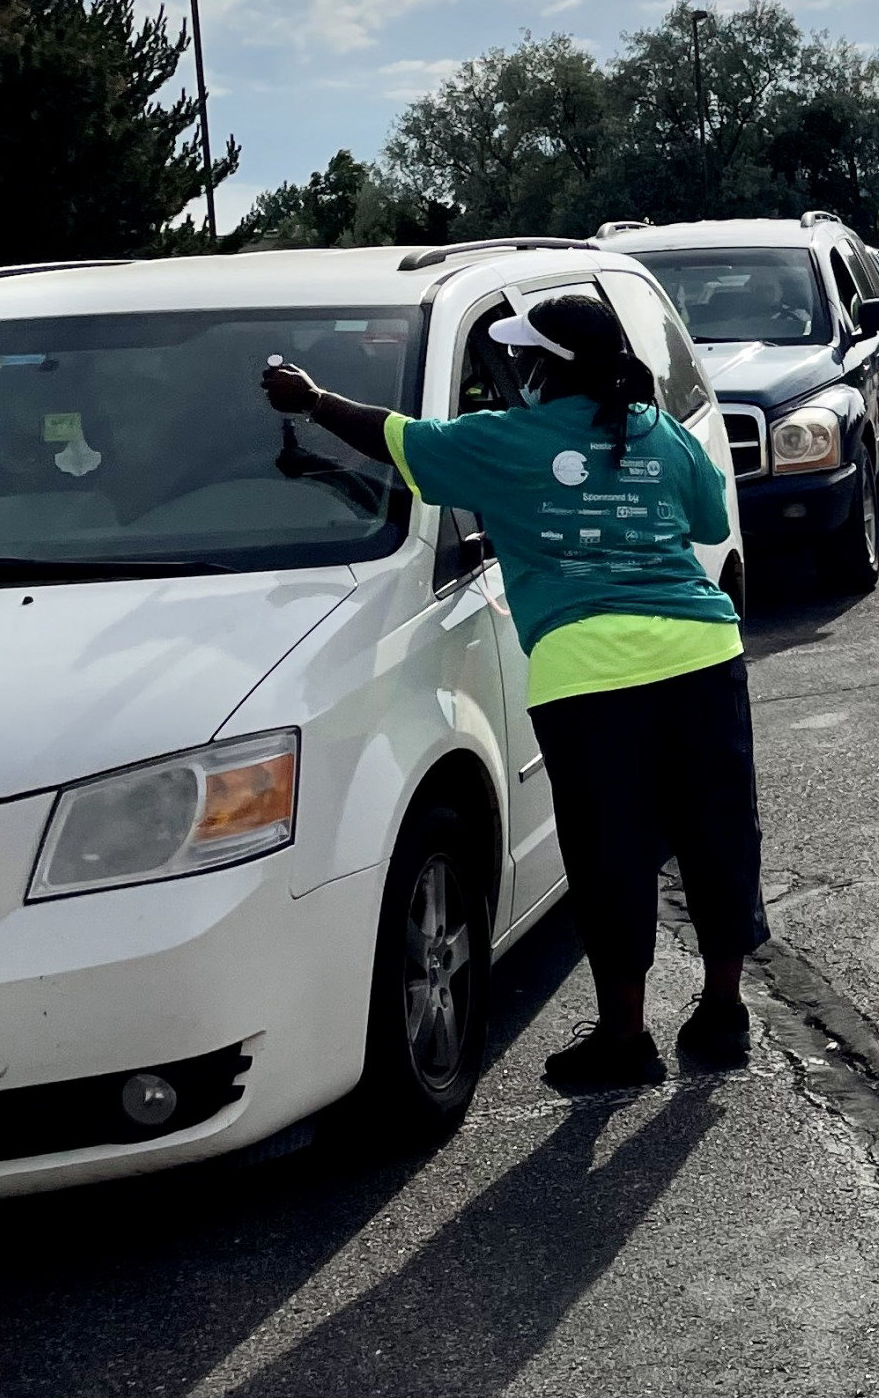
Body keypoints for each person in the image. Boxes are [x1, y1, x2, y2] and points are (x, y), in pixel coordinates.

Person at [260, 294, 763, 1090]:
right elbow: (705, 523)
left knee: (611, 856)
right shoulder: (658, 430)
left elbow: (393, 438)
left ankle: (627, 1042)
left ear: (543, 368)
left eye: (525, 355)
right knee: (717, 833)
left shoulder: (503, 441)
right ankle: (724, 1014)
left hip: (590, 679)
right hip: (703, 657)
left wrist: (312, 400)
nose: (517, 366)